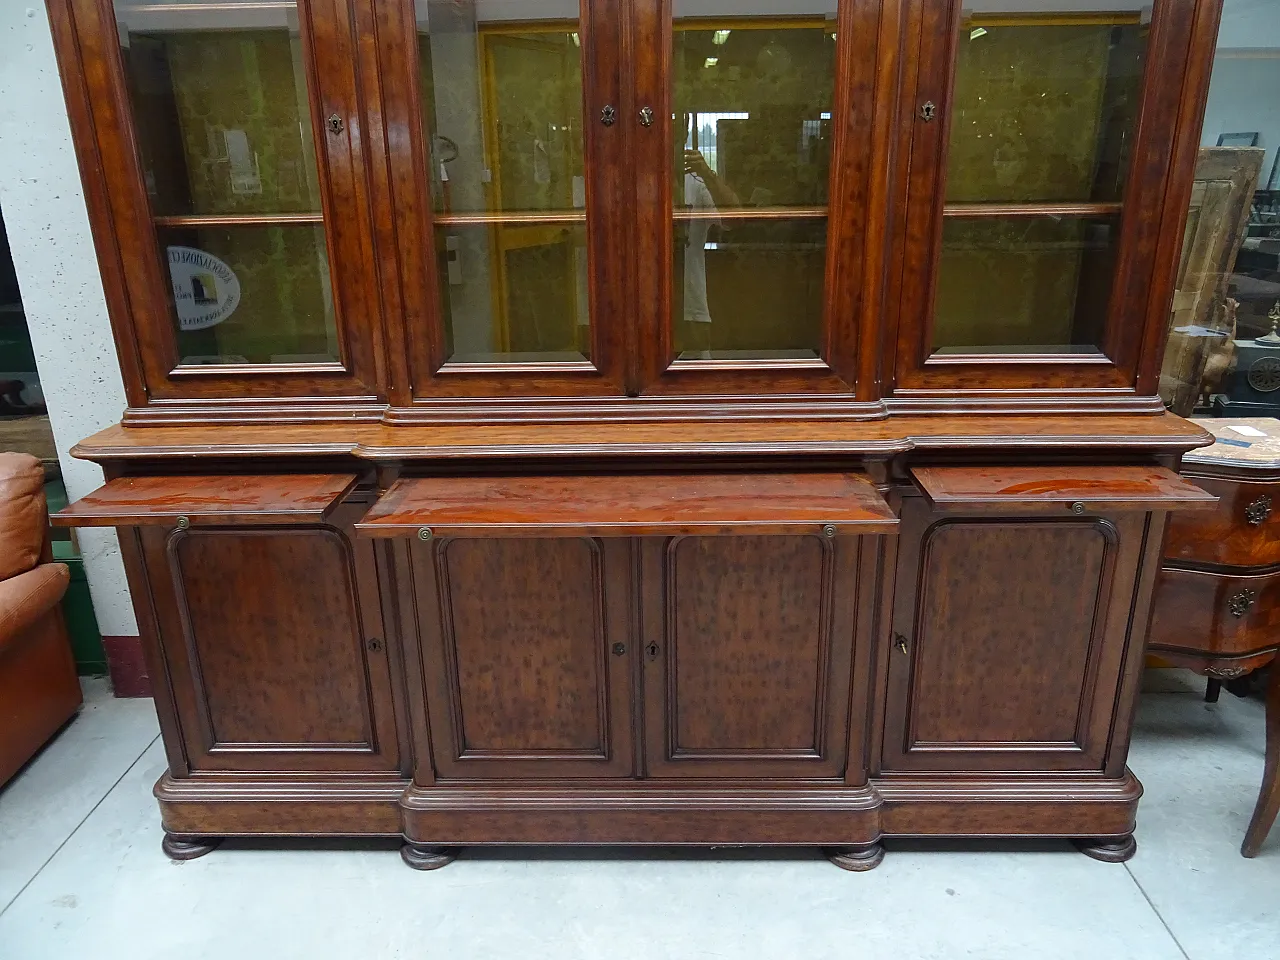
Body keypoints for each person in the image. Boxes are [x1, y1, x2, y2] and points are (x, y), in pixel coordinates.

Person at [681, 148, 739, 357]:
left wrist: (707, 174)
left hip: (690, 302)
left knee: (698, 379)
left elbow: (734, 221)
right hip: (643, 304)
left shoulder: (696, 182)